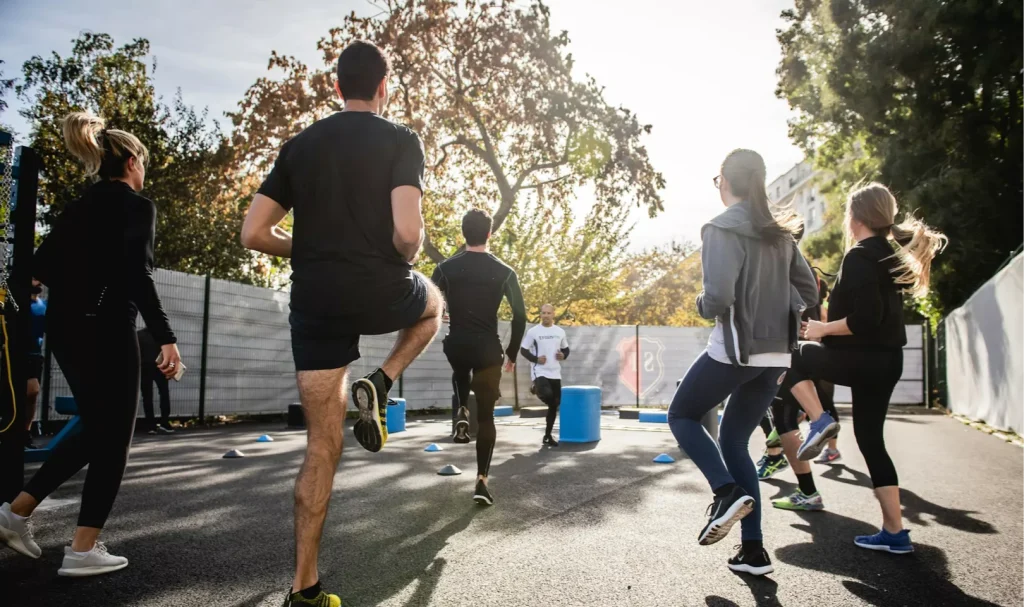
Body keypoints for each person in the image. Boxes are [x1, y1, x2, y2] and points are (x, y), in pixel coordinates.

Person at [239, 40, 443, 607]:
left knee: (320, 447)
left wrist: (310, 245)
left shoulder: (300, 146)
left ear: (336, 88)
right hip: (379, 284)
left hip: (315, 300)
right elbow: (407, 233)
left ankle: (304, 589)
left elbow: (254, 233)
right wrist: (406, 255)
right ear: (384, 88)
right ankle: (380, 381)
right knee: (433, 306)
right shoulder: (401, 139)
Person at [0, 112, 181, 576]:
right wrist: (166, 338)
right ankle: (82, 549)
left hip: (67, 330)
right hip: (106, 328)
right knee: (114, 436)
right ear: (132, 161)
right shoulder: (138, 207)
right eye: (145, 162)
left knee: (96, 428)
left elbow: (38, 266)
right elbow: (138, 276)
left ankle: (15, 512)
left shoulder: (80, 207)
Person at [666, 149, 818, 576]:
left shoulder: (719, 227)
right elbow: (809, 291)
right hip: (776, 355)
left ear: (726, 183)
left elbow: (717, 298)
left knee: (681, 414)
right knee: (734, 441)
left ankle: (725, 490)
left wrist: (700, 302)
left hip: (736, 349)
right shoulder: (782, 234)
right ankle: (754, 551)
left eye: (717, 181)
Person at [782, 182, 947, 555]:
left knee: (790, 356)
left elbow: (866, 319)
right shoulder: (888, 254)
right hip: (887, 361)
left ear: (854, 217)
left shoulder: (859, 256)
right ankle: (894, 532)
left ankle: (820, 420)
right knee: (872, 441)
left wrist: (823, 328)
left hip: (863, 358)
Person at [431, 208, 527, 506]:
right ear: (489, 233)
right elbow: (521, 316)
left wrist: (443, 314)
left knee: (460, 367)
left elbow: (430, 303)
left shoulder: (446, 268)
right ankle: (482, 481)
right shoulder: (505, 271)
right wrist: (511, 354)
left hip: (457, 343)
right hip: (488, 349)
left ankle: (461, 407)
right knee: (486, 418)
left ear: (463, 232)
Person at [520, 304, 570, 446]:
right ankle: (536, 387)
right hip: (539, 371)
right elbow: (523, 350)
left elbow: (566, 349)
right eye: (543, 313)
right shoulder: (533, 332)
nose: (546, 315)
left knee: (555, 404)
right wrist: (535, 359)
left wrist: (563, 355)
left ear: (553, 314)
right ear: (540, 315)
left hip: (555, 372)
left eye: (548, 313)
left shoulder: (560, 331)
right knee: (547, 396)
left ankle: (547, 436)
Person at [137, 327, 173, 435]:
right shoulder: (163, 334)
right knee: (164, 394)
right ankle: (164, 423)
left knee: (147, 397)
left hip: (144, 369)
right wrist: (171, 369)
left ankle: (150, 425)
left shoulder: (139, 335)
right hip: (160, 368)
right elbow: (170, 354)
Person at [24, 279, 47, 449]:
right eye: (34, 277)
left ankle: (25, 433)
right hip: (15, 355)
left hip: (35, 355)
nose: (38, 281)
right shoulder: (14, 302)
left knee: (32, 396)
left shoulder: (43, 305)